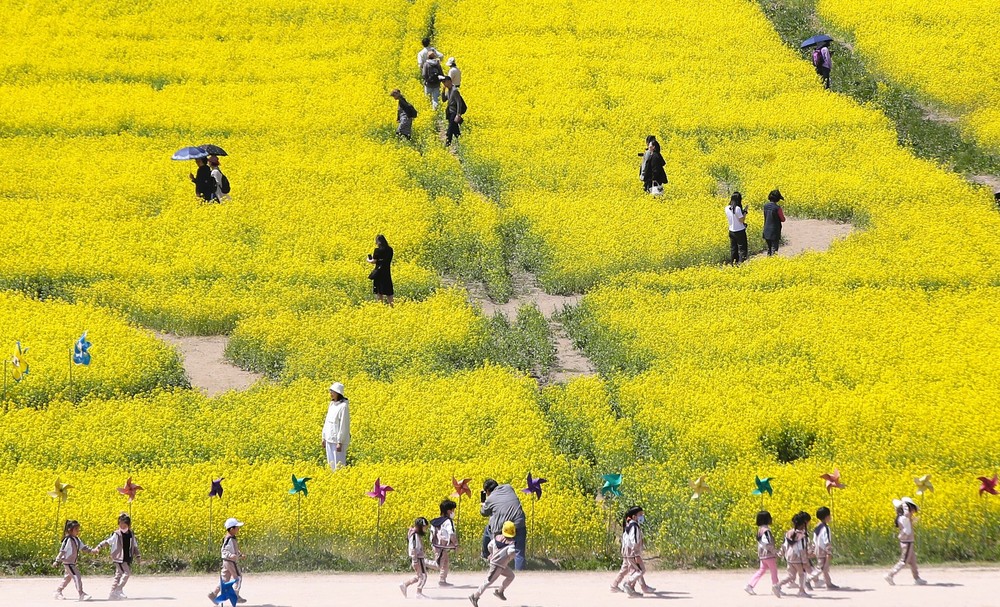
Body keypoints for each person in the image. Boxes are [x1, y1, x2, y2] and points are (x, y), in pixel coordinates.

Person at [480, 479, 527, 570]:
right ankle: (521, 577)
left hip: (503, 529)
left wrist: (483, 503)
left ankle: (485, 556)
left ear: (488, 491)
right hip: (519, 524)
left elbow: (483, 513)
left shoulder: (490, 498)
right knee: (519, 552)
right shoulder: (509, 488)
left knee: (488, 529)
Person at [469, 521, 518, 607]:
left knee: (511, 576)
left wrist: (492, 554)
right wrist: (509, 558)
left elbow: (489, 546)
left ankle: (500, 591)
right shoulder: (511, 544)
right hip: (497, 566)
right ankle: (475, 596)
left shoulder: (496, 538)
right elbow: (511, 553)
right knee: (488, 581)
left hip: (500, 565)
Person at [610, 505, 656, 596]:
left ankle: (616, 585)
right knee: (639, 570)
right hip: (632, 551)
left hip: (627, 551)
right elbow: (633, 540)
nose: (642, 516)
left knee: (629, 569)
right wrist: (636, 554)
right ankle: (629, 584)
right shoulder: (634, 526)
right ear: (634, 516)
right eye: (640, 514)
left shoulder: (630, 524)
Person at [95, 513, 142, 601]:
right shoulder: (117, 534)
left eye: (124, 524)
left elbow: (134, 546)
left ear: (128, 524)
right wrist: (99, 546)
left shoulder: (131, 534)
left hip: (126, 557)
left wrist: (138, 556)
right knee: (127, 573)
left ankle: (112, 594)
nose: (122, 526)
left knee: (118, 575)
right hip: (119, 558)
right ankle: (118, 589)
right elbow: (108, 541)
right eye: (120, 523)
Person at [885, 497, 926, 586]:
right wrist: (904, 505)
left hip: (908, 542)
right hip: (907, 542)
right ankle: (890, 575)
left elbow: (908, 523)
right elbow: (907, 518)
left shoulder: (904, 519)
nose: (913, 512)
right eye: (912, 510)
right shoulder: (904, 518)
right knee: (904, 561)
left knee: (913, 561)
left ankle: (917, 578)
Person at [53, 520, 97, 601]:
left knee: (67, 579)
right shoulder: (67, 540)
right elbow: (62, 551)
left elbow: (83, 547)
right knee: (77, 576)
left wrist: (92, 551)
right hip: (68, 563)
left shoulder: (77, 539)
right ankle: (81, 594)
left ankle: (58, 591)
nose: (78, 531)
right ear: (70, 530)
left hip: (72, 563)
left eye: (78, 530)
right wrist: (57, 560)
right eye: (76, 530)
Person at [209, 518, 246, 604]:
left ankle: (213, 594)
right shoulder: (229, 539)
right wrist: (231, 556)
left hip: (227, 561)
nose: (238, 529)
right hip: (230, 562)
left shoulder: (231, 538)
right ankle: (235, 596)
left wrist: (240, 555)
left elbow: (233, 549)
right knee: (238, 578)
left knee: (225, 579)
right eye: (237, 527)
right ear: (232, 529)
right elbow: (224, 550)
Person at [745, 510, 781, 597]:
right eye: (770, 518)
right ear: (767, 519)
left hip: (762, 555)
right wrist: (774, 551)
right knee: (774, 571)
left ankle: (750, 585)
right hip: (768, 554)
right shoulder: (766, 531)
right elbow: (767, 543)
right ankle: (775, 587)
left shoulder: (760, 530)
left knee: (761, 571)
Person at [777, 511, 811, 597]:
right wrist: (805, 561)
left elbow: (784, 545)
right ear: (804, 523)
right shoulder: (802, 535)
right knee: (802, 574)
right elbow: (802, 549)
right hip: (798, 557)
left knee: (791, 576)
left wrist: (780, 554)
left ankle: (777, 585)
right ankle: (801, 591)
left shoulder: (789, 533)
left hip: (789, 557)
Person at [322, 382, 350, 471]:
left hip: (337, 442)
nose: (330, 393)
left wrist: (340, 441)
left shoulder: (343, 406)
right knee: (331, 464)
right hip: (329, 438)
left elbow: (343, 425)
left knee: (339, 465)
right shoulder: (331, 404)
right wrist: (324, 437)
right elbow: (327, 422)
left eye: (332, 391)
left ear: (338, 393)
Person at [400, 517, 431, 599]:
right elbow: (413, 549)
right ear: (420, 527)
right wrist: (415, 560)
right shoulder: (414, 536)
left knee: (419, 576)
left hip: (418, 558)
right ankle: (418, 593)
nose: (425, 529)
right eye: (424, 527)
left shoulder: (414, 534)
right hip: (418, 559)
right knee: (423, 576)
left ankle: (405, 584)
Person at [431, 499, 459, 587]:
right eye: (452, 510)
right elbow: (451, 533)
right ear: (448, 511)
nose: (453, 512)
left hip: (436, 545)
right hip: (443, 546)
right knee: (439, 564)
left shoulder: (435, 521)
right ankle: (423, 562)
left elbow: (432, 534)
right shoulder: (447, 521)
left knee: (444, 563)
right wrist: (456, 544)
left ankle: (442, 580)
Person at [809, 506, 838, 589]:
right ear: (826, 517)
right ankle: (808, 580)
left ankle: (828, 583)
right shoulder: (826, 528)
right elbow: (827, 541)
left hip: (818, 548)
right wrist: (828, 552)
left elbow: (814, 539)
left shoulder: (817, 527)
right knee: (821, 567)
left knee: (825, 568)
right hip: (823, 549)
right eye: (829, 515)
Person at [367, 235, 394, 306]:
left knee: (379, 291)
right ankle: (392, 306)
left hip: (379, 273)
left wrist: (368, 260)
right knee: (388, 291)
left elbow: (373, 261)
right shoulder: (390, 249)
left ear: (378, 242)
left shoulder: (377, 250)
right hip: (387, 272)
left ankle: (380, 306)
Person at [725, 191, 748, 264]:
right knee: (742, 249)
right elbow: (741, 220)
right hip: (739, 231)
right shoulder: (737, 208)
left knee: (733, 249)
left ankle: (733, 264)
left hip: (731, 231)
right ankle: (741, 264)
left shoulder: (727, 208)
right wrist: (745, 212)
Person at [443, 76, 466, 146]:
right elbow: (443, 100)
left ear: (449, 81)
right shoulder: (449, 90)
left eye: (445, 82)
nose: (444, 83)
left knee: (450, 128)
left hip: (454, 112)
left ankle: (448, 143)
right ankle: (461, 141)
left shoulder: (454, 90)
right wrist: (443, 91)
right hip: (450, 112)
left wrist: (458, 114)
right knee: (455, 128)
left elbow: (459, 102)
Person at [762, 189, 786, 256]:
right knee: (774, 250)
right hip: (774, 232)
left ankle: (768, 263)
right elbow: (783, 219)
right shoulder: (777, 208)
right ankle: (772, 263)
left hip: (766, 230)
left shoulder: (765, 206)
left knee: (769, 249)